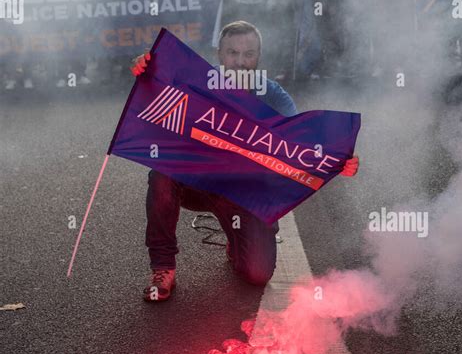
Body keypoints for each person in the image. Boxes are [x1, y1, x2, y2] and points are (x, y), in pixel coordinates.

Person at [130, 20, 359, 302]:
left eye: (248, 54)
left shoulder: (271, 94)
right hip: (197, 184)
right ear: (219, 55)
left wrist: (338, 162)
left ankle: (237, 240)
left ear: (258, 56)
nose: (240, 62)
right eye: (232, 53)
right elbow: (159, 85)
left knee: (257, 275)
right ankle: (163, 267)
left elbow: (303, 144)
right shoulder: (199, 82)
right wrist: (145, 66)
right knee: (161, 172)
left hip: (244, 194)